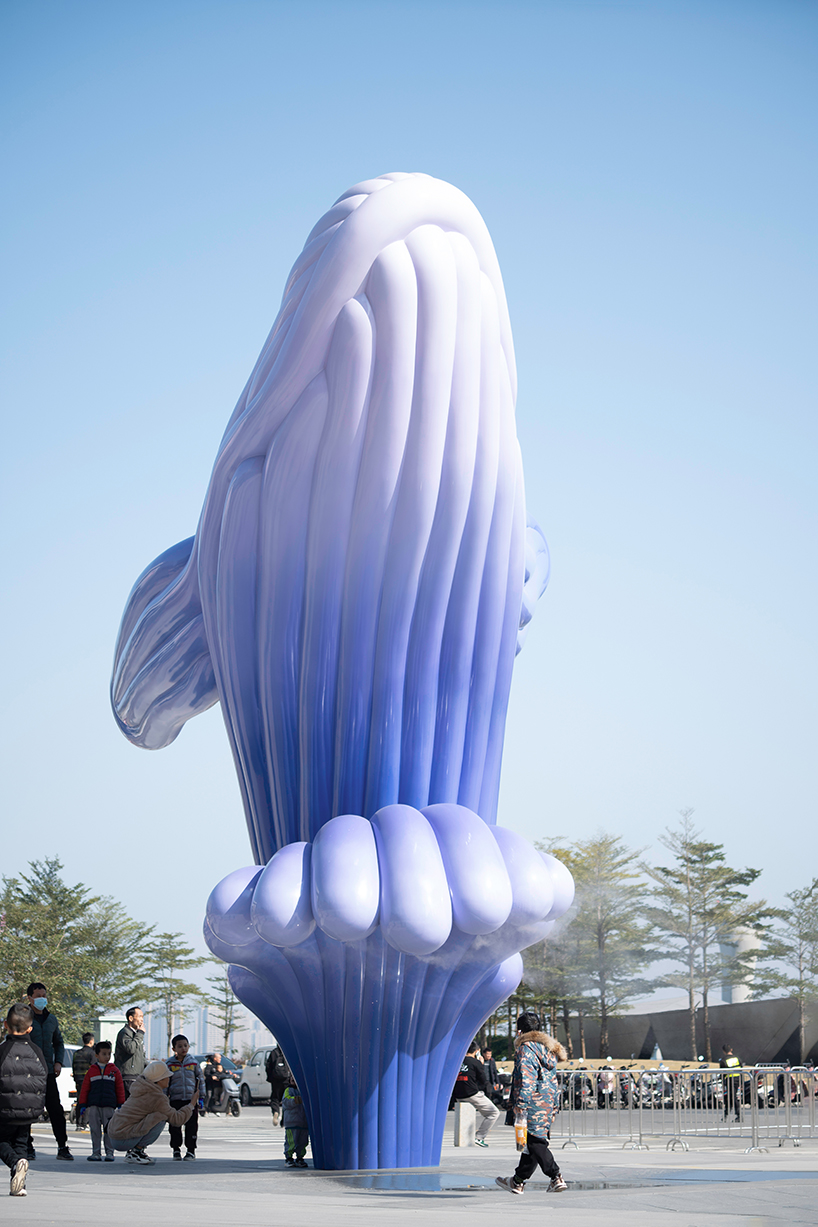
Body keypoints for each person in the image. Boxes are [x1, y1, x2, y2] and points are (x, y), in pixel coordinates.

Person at [495, 1010, 568, 1195]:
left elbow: (526, 1079)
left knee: (535, 1142)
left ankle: (556, 1176)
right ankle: (517, 1181)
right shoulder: (548, 1049)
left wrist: (520, 1103)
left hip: (532, 1102)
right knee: (532, 1143)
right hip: (547, 1101)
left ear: (519, 1030)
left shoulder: (525, 1048)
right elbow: (552, 1080)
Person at [106, 1059, 198, 1165]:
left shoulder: (141, 1089)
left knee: (156, 1115)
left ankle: (135, 1152)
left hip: (114, 1135)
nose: (169, 1078)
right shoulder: (157, 1098)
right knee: (161, 1117)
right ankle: (137, 1152)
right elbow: (177, 1120)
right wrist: (191, 1104)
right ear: (159, 1080)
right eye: (166, 1076)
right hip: (123, 1140)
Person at [0, 1002, 47, 1197]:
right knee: (21, 1143)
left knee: (2, 1141)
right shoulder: (36, 1051)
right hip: (29, 1110)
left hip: (5, 1109)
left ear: (5, 1025)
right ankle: (20, 1184)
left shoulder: (2, 1051)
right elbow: (43, 1078)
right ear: (30, 1028)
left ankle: (14, 1163)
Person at [26, 981, 73, 1160]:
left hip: (48, 1073)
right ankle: (27, 1147)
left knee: (55, 1109)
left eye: (44, 996)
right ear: (30, 998)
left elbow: (58, 1042)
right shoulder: (24, 1018)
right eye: (38, 996)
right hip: (29, 1074)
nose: (42, 999)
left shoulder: (52, 1019)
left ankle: (62, 1147)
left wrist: (58, 1062)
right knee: (27, 1111)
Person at [77, 1041, 125, 1161]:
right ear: (97, 1055)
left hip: (109, 1106)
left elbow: (120, 1088)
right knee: (95, 1129)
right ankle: (96, 1152)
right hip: (94, 1106)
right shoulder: (91, 1071)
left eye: (109, 1054)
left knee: (109, 1130)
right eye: (104, 1054)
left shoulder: (114, 1071)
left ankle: (110, 1153)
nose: (107, 1057)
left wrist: (121, 1104)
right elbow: (85, 1089)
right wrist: (82, 1104)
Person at [452, 1038, 500, 1147]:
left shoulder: (457, 1061)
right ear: (477, 1051)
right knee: (493, 1113)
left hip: (458, 1095)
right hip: (471, 1094)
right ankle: (480, 1137)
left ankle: (466, 1137)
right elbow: (483, 1080)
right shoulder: (476, 1062)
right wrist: (480, 1064)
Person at [165, 1035, 205, 1160]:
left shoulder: (193, 1062)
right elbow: (165, 1083)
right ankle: (176, 1150)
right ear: (174, 1048)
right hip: (175, 1101)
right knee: (175, 1126)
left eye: (185, 1045)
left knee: (192, 1126)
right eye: (180, 1046)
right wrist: (164, 1098)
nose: (183, 1048)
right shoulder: (169, 1064)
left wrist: (201, 1097)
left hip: (191, 1101)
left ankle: (191, 1150)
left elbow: (201, 1080)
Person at [114, 1007, 146, 1098]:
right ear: (131, 1018)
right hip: (127, 1077)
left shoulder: (137, 1035)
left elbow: (141, 1057)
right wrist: (140, 1033)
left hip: (137, 1076)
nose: (142, 1019)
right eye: (139, 1016)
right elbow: (130, 1049)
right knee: (129, 1106)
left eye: (142, 1017)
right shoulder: (125, 1033)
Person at [282, 1074, 309, 1167]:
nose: (293, 1079)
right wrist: (296, 1100)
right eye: (291, 1078)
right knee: (291, 1141)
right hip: (292, 1121)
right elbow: (286, 1102)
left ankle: (300, 1157)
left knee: (303, 1142)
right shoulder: (288, 1090)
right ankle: (289, 1158)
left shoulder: (304, 1090)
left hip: (303, 1122)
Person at [71, 1033, 96, 1131]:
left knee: (80, 1100)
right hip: (88, 1080)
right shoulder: (92, 1053)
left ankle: (78, 1123)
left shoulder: (76, 1053)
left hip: (78, 1080)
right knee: (88, 1102)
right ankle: (84, 1123)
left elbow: (73, 1067)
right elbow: (94, 1068)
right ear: (91, 1041)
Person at [265, 1045, 290, 1126]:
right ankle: (284, 1119)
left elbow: (268, 1066)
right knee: (285, 1099)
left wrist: (270, 1078)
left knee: (275, 1098)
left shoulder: (273, 1052)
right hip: (286, 1080)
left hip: (276, 1080)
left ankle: (275, 1112)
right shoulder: (288, 1052)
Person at [719, 1044, 742, 1122]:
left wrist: (722, 1082)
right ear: (731, 1050)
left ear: (723, 1051)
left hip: (730, 1080)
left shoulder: (723, 1060)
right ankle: (727, 1115)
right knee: (731, 1097)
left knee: (732, 1098)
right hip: (738, 1079)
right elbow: (741, 1069)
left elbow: (723, 1072)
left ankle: (737, 1115)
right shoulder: (737, 1058)